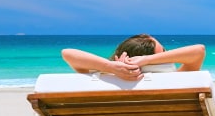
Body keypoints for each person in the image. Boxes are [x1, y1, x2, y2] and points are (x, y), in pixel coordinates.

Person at [61, 34, 205, 81]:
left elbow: (67, 53)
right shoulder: (175, 81)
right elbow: (199, 51)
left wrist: (109, 67)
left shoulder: (104, 80)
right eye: (164, 52)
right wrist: (147, 60)